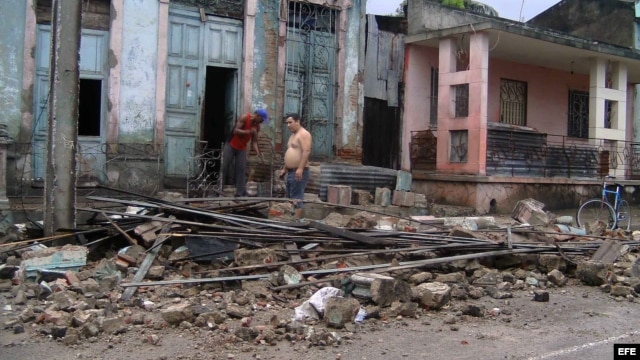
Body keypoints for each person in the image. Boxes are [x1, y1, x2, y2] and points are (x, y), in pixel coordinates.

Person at [223, 108, 268, 197]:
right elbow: (236, 130)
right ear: (258, 116)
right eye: (262, 119)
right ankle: (218, 188)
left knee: (241, 169)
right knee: (224, 167)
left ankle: (240, 192)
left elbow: (254, 142)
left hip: (242, 148)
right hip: (231, 145)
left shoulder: (257, 127)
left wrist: (258, 153)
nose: (262, 122)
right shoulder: (245, 117)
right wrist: (249, 131)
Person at [278, 113, 312, 218]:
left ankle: (295, 221)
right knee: (289, 197)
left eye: (290, 122)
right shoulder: (293, 135)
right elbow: (290, 151)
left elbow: (306, 151)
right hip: (290, 171)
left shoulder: (304, 134)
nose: (288, 125)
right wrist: (284, 168)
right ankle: (289, 218)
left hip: (298, 171)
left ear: (297, 122)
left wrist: (300, 168)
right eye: (286, 123)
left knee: (297, 197)